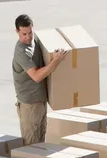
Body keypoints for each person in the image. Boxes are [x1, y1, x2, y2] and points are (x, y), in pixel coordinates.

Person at [12, 14, 68, 145]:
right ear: (17, 32)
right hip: (30, 104)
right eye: (24, 34)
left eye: (30, 33)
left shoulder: (35, 41)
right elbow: (36, 76)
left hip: (40, 101)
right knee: (32, 145)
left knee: (40, 143)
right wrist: (56, 61)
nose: (28, 37)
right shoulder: (22, 52)